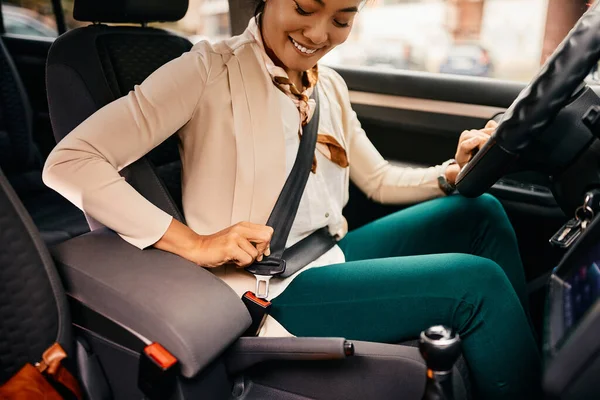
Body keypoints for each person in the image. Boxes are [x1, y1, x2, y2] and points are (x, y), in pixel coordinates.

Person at [42, 0, 541, 398]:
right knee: (476, 283)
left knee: (481, 211)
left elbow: (379, 179)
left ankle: (512, 351)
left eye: (342, 18)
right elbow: (70, 161)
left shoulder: (330, 86)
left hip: (329, 251)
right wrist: (194, 243)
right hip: (271, 285)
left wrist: (452, 172)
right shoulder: (208, 69)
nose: (320, 34)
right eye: (305, 9)